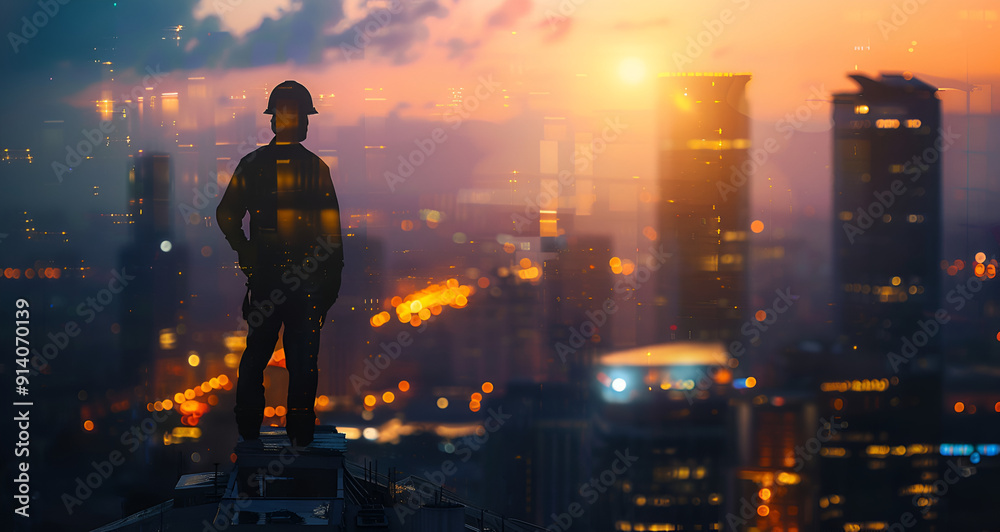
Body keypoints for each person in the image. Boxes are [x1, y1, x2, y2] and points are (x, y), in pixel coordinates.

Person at [216, 80, 343, 446]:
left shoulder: (253, 165)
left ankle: (251, 430)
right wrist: (328, 287)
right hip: (302, 284)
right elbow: (331, 237)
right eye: (304, 116)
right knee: (301, 361)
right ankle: (297, 435)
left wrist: (245, 250)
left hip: (269, 280)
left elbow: (227, 215)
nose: (306, 123)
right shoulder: (315, 169)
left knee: (258, 355)